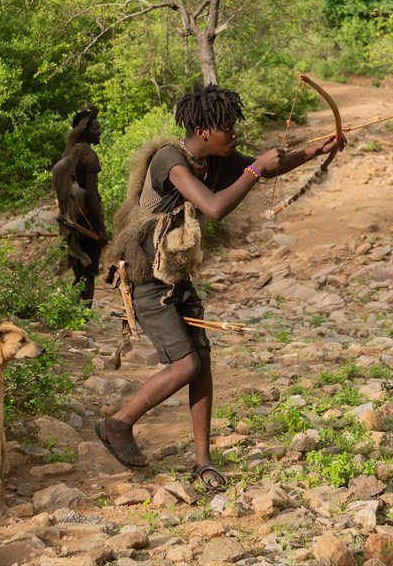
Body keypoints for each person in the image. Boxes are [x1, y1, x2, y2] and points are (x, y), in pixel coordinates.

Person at [96, 84, 343, 490]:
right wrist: (256, 169)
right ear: (203, 129)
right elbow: (215, 207)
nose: (234, 135)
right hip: (145, 280)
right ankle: (117, 424)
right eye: (227, 127)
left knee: (202, 363)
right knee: (186, 364)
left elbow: (268, 167)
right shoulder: (171, 161)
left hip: (176, 276)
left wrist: (316, 150)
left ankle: (202, 460)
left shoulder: (213, 159)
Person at [51, 106, 108, 304]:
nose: (100, 131)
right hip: (87, 222)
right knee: (87, 273)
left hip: (70, 221)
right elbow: (91, 195)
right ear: (85, 131)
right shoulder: (89, 156)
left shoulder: (68, 152)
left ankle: (74, 314)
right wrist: (100, 228)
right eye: (95, 129)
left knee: (79, 271)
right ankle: (81, 317)